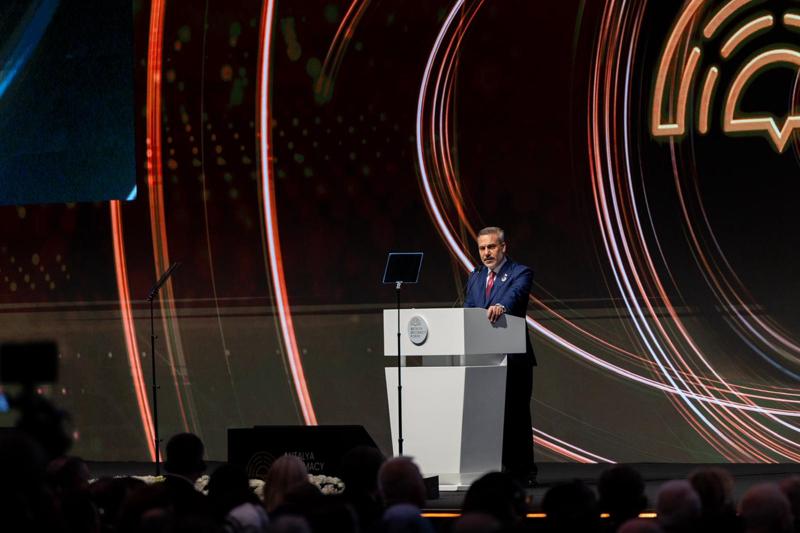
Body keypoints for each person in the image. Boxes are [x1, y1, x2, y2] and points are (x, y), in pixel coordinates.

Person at [464, 226, 536, 486]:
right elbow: (468, 310)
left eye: (491, 247)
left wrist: (500, 306)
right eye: (482, 248)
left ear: (503, 247)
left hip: (513, 357)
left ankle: (524, 472)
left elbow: (514, 297)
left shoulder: (520, 272)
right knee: (489, 417)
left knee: (516, 416)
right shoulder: (475, 276)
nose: (486, 253)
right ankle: (496, 471)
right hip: (483, 359)